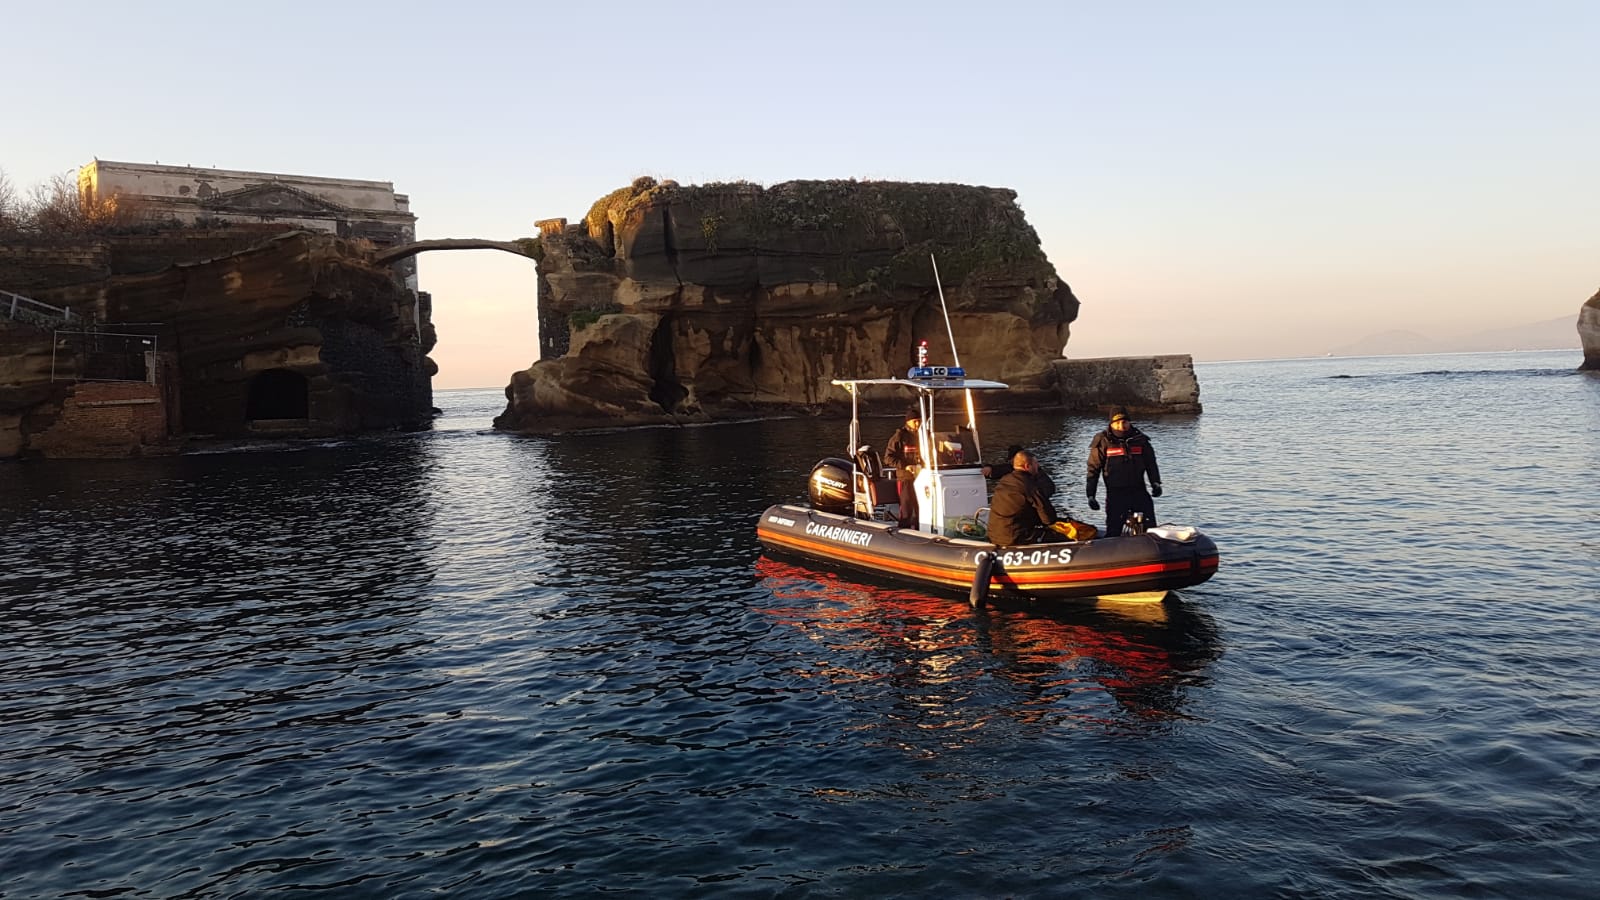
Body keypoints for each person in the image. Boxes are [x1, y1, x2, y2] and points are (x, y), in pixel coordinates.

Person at [1085, 407, 1163, 536]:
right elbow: (1093, 469)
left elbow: (1151, 464)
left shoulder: (1140, 440)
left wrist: (1156, 483)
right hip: (1116, 493)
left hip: (1138, 490)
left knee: (1150, 527)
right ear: (1111, 424)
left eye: (1125, 422)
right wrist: (1091, 495)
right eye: (1117, 423)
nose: (1122, 426)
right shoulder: (1103, 441)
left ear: (1129, 422)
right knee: (1114, 528)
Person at [988, 449, 1064, 547]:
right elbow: (1048, 518)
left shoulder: (1004, 481)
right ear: (1027, 466)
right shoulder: (1030, 485)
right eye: (1036, 464)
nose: (1038, 466)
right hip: (1017, 537)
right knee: (1062, 536)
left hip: (995, 536)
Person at [884, 405, 924, 529]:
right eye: (915, 421)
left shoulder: (924, 436)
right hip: (905, 478)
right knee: (906, 508)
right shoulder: (899, 437)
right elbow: (888, 458)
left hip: (922, 477)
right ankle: (903, 530)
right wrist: (906, 466)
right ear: (908, 422)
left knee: (921, 507)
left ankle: (920, 530)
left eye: (919, 421)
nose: (917, 424)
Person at [983, 444, 1057, 498]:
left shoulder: (1037, 473)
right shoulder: (1011, 468)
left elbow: (1048, 489)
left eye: (1012, 460)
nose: (1011, 463)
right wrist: (990, 468)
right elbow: (1002, 469)